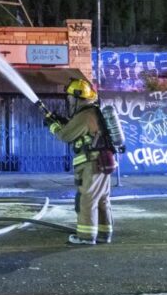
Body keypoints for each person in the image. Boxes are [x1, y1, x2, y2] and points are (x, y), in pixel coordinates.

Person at [44, 78, 116, 245]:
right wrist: (63, 121)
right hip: (102, 162)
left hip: (92, 164)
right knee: (102, 198)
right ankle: (104, 234)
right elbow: (78, 130)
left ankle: (86, 237)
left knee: (87, 198)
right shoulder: (92, 112)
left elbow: (65, 135)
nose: (69, 101)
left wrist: (52, 125)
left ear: (78, 98)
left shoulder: (85, 115)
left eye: (70, 98)